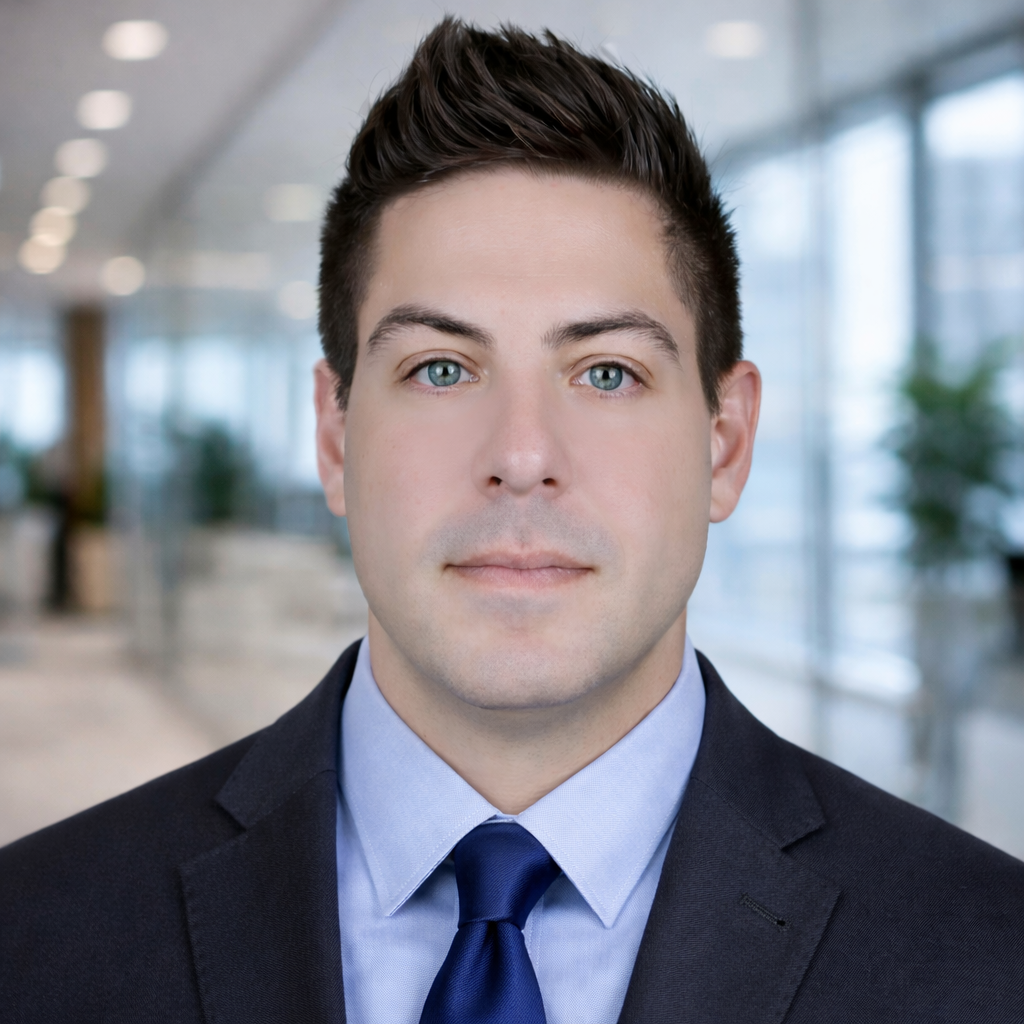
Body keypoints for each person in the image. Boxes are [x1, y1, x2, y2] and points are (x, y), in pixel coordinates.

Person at [2, 18, 1023, 1023]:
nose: (523, 458)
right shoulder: (36, 933)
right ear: (333, 434)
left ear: (724, 441)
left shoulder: (988, 954)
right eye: (441, 368)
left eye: (607, 372)